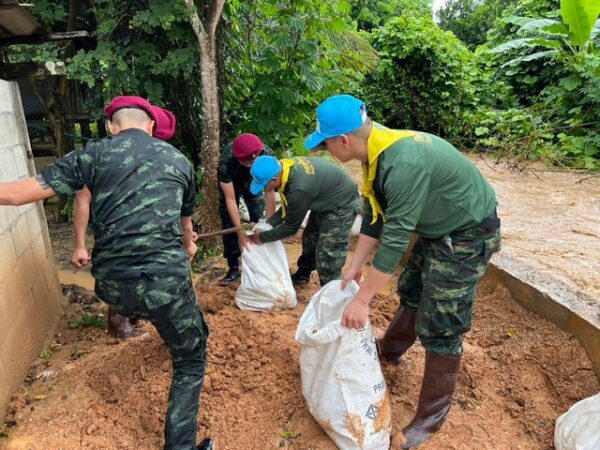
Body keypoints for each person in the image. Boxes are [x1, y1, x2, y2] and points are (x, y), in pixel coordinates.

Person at [0, 95, 213, 450]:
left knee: (148, 302)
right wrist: (189, 244)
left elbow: (13, 195)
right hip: (166, 283)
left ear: (112, 127)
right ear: (151, 126)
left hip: (113, 288)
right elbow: (186, 225)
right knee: (191, 357)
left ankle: (140, 322)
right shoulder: (178, 159)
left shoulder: (92, 155)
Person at [304, 94, 501, 449]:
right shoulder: (374, 154)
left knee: (441, 320)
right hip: (438, 229)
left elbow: (395, 240)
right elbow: (375, 217)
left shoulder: (402, 163)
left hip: (467, 232)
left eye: (325, 144)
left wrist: (363, 300)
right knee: (411, 289)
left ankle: (431, 417)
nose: (325, 151)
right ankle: (390, 350)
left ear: (343, 140)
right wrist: (355, 265)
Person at [248, 155, 360, 286]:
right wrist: (267, 225)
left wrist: (261, 237)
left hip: (342, 204)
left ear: (274, 179)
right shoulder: (285, 168)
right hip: (324, 197)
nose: (264, 189)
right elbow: (289, 207)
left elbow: (290, 227)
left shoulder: (299, 188)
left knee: (328, 252)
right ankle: (303, 275)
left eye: (264, 185)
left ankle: (332, 290)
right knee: (310, 238)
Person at [217, 134, 275, 283]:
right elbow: (230, 199)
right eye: (246, 162)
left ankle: (260, 264)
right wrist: (240, 232)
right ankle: (233, 267)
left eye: (253, 162)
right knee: (229, 223)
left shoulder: (267, 155)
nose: (250, 165)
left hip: (255, 183)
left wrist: (270, 224)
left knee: (259, 219)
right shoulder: (226, 162)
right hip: (233, 183)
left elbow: (269, 191)